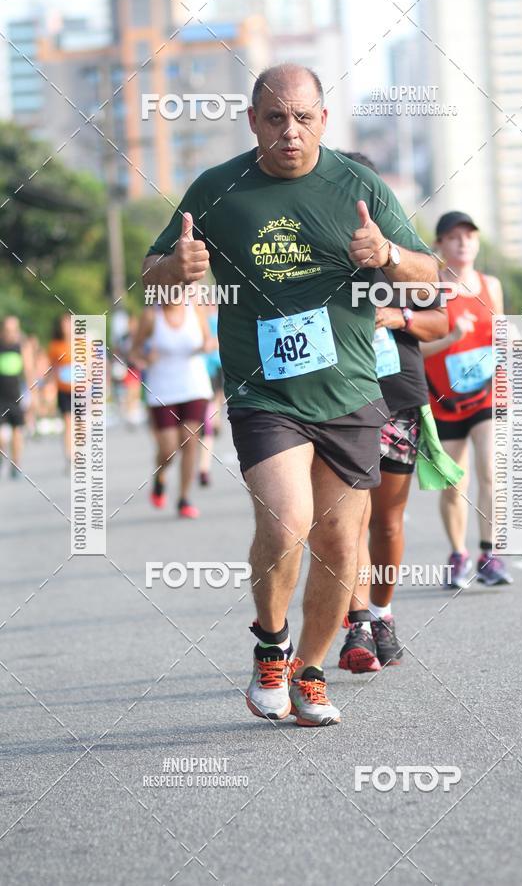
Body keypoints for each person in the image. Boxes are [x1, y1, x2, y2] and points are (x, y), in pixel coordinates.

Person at [143, 63, 438, 726]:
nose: (289, 132)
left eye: (302, 118)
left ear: (323, 121)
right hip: (264, 391)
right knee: (284, 521)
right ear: (253, 121)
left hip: (351, 391)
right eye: (275, 118)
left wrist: (387, 253)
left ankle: (308, 670)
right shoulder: (218, 189)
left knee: (338, 542)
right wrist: (176, 268)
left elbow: (430, 280)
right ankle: (269, 648)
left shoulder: (358, 184)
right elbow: (151, 283)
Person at [335, 154, 449, 674]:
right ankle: (355, 622)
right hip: (336, 398)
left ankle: (381, 614)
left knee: (387, 519)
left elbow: (441, 319)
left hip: (397, 394)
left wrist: (396, 315)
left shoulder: (400, 255)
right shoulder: (316, 251)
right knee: (346, 518)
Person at [421, 211, 513, 587]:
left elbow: (504, 337)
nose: (463, 242)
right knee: (453, 485)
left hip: (487, 396)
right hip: (444, 402)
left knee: (491, 470)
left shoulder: (491, 285)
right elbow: (420, 350)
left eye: (470, 236)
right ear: (440, 245)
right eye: (455, 237)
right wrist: (452, 338)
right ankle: (457, 555)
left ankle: (490, 555)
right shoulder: (430, 289)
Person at [130, 292, 214, 519]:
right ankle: (160, 475)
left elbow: (209, 339)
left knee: (190, 439)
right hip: (162, 389)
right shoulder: (150, 316)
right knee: (168, 448)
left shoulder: (195, 309)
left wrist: (207, 345)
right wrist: (146, 359)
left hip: (194, 385)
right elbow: (134, 352)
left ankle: (184, 498)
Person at [0, 315, 32, 478]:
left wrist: (32, 396)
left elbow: (28, 371)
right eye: (8, 330)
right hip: (0, 398)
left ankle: (16, 463)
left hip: (16, 397)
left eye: (15, 330)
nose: (12, 334)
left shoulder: (21, 347)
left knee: (17, 432)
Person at [198, 300, 222, 487]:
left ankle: (204, 468)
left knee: (213, 406)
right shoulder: (195, 318)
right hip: (192, 377)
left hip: (212, 369)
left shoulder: (214, 319)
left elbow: (218, 341)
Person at [48, 314, 73, 470]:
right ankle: (69, 456)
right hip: (63, 389)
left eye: (69, 324)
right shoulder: (55, 346)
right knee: (68, 423)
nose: (66, 327)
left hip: (81, 390)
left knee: (80, 424)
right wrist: (50, 388)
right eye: (64, 324)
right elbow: (52, 369)